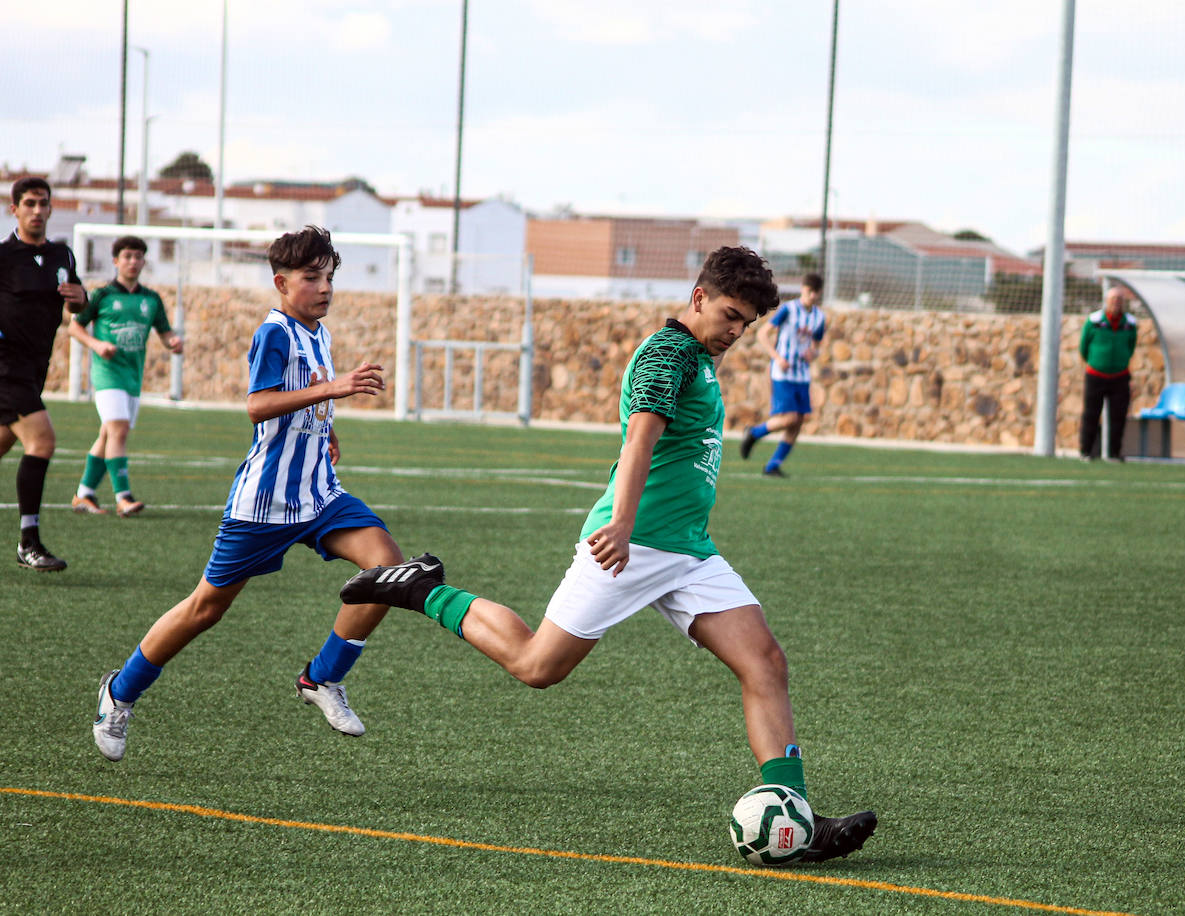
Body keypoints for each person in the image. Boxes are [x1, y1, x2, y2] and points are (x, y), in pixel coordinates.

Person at [338, 247, 877, 863]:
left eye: (747, 323)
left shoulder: (699, 357)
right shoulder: (665, 354)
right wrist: (620, 524)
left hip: (688, 552)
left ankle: (796, 821)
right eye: (730, 315)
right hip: (632, 544)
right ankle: (420, 588)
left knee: (765, 663)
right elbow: (640, 439)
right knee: (538, 665)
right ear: (698, 297)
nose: (736, 331)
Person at [92, 226, 400, 762]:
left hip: (320, 495)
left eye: (329, 277)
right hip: (265, 504)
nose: (325, 287)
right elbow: (258, 405)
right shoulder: (274, 332)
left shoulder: (318, 332)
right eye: (312, 278)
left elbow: (307, 398)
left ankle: (321, 678)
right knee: (204, 609)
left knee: (386, 569)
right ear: (282, 283)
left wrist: (327, 430)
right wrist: (334, 388)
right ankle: (120, 692)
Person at [0, 176, 87, 571]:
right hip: (5, 368)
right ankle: (28, 542)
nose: (37, 210)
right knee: (43, 441)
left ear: (52, 209)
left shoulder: (62, 255)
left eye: (43, 204)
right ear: (13, 208)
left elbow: (77, 307)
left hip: (36, 369)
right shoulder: (3, 257)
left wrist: (81, 299)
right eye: (29, 203)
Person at [68, 235, 183, 517]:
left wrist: (173, 343)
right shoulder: (102, 295)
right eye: (127, 256)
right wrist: (97, 345)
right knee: (118, 430)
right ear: (116, 261)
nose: (133, 262)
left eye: (138, 257)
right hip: (107, 375)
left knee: (109, 434)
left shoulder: (151, 299)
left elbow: (165, 331)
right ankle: (124, 497)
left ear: (144, 261)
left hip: (133, 377)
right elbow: (75, 327)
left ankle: (84, 494)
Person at [739, 271, 826, 477]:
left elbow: (817, 345)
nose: (812, 296)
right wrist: (777, 358)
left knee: (798, 421)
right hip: (783, 373)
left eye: (816, 293)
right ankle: (754, 433)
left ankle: (772, 466)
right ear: (803, 289)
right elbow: (763, 334)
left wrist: (813, 353)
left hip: (802, 376)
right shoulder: (789, 310)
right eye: (809, 291)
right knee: (788, 418)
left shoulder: (819, 317)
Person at [1077, 286, 1137, 461]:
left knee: (1118, 416)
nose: (1116, 303)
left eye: (1119, 300)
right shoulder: (1094, 320)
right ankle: (1087, 451)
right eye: (1113, 300)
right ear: (1106, 302)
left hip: (1120, 376)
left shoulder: (1129, 323)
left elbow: (1131, 346)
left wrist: (1121, 361)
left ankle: (1114, 453)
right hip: (1096, 375)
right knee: (1091, 414)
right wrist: (1096, 362)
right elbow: (1083, 347)